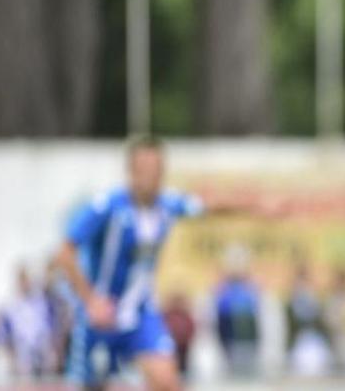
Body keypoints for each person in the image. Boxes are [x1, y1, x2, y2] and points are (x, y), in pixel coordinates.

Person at [54, 136, 259, 391]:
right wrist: (91, 300)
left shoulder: (168, 205)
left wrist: (258, 207)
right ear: (131, 172)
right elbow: (64, 253)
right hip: (100, 318)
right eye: (144, 170)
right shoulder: (107, 207)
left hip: (140, 315)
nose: (151, 177)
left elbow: (211, 206)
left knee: (167, 381)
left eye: (157, 170)